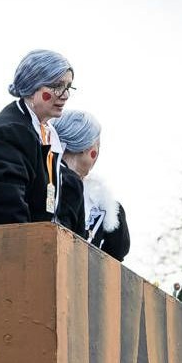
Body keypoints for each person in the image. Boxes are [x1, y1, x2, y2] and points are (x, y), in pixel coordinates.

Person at [0, 49, 79, 231]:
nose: (64, 95)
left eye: (68, 86)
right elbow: (7, 206)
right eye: (57, 86)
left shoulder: (43, 132)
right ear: (32, 86)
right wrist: (29, 251)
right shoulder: (12, 131)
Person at [51, 110, 129, 260]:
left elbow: (116, 255)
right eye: (97, 144)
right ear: (87, 148)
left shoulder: (106, 206)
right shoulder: (51, 179)